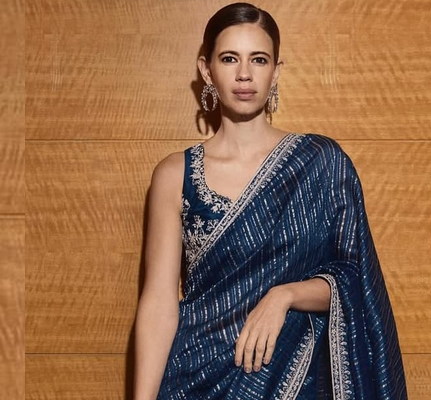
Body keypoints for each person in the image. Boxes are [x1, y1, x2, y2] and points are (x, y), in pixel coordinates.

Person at [133, 3, 407, 399]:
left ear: (276, 71)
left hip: (292, 378)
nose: (244, 74)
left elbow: (356, 278)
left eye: (258, 60)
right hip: (193, 377)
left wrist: (285, 295)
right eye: (230, 59)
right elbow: (159, 304)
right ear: (206, 70)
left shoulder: (320, 162)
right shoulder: (175, 174)